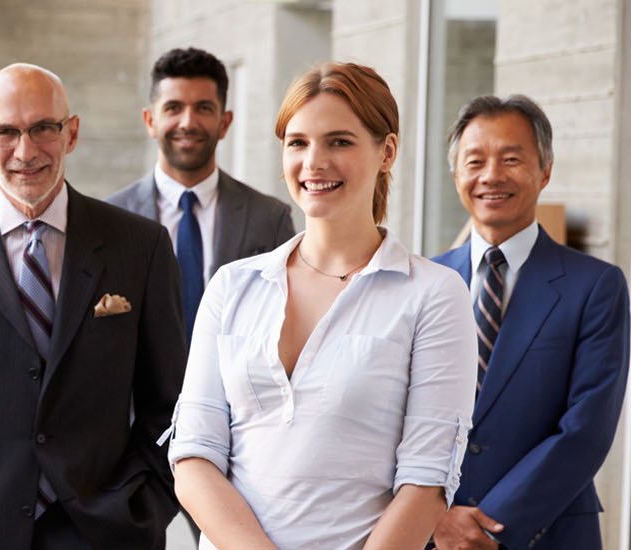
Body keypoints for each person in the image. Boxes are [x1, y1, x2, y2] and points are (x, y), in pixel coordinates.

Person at [168, 61, 476, 549]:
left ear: (386, 152)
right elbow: (193, 458)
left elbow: (426, 481)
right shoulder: (233, 286)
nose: (313, 162)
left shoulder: (433, 294)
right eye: (298, 142)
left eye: (340, 141)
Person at [0, 63, 185, 550]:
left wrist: (142, 505)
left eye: (43, 128)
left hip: (106, 532)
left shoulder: (141, 245)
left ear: (71, 133)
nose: (26, 151)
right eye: (5, 132)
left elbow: (170, 407)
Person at [429, 95, 628, 550]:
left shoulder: (596, 287)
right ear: (456, 174)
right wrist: (433, 517)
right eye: (475, 161)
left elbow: (586, 430)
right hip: (430, 534)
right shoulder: (425, 281)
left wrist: (492, 523)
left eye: (512, 159)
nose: (491, 176)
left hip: (547, 532)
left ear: (545, 171)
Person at [107, 47, 294, 343]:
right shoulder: (109, 219)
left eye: (204, 108)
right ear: (150, 120)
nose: (188, 123)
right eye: (173, 108)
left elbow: (285, 324)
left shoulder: (269, 218)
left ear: (225, 122)